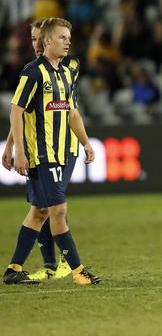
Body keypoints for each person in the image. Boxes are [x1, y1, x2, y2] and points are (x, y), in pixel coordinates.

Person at [3, 17, 101, 286]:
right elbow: (16, 111)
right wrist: (18, 150)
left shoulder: (67, 72)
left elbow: (72, 113)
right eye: (61, 37)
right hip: (43, 154)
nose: (68, 41)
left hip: (63, 153)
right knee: (58, 210)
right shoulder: (33, 72)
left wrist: (86, 142)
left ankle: (13, 269)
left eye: (68, 37)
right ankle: (78, 271)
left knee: (41, 212)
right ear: (47, 41)